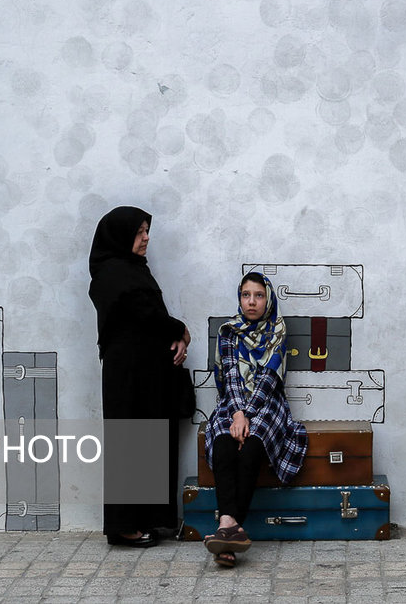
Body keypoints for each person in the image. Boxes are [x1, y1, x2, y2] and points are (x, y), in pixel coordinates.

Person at [88, 206, 190, 547]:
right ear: (120, 236)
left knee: (151, 440)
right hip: (127, 374)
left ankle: (149, 519)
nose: (146, 238)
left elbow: (149, 317)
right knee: (130, 442)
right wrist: (181, 331)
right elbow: (145, 313)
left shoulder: (132, 269)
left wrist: (173, 338)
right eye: (139, 232)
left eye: (147, 230)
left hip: (147, 372)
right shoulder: (113, 273)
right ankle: (123, 526)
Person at [202, 272, 308, 567]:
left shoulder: (277, 331)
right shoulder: (228, 332)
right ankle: (230, 528)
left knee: (250, 448)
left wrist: (247, 416)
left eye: (259, 295)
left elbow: (269, 377)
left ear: (268, 299)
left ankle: (227, 527)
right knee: (224, 444)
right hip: (232, 404)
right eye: (246, 295)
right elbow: (231, 375)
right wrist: (237, 413)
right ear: (239, 298)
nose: (252, 302)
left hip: (268, 403)